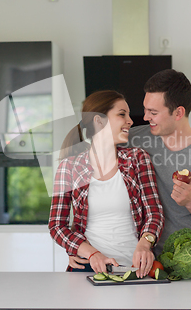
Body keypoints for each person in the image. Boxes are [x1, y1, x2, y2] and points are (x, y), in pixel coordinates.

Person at [68, 70, 191, 269]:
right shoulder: (129, 140)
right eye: (145, 109)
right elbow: (88, 187)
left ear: (179, 113)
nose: (145, 117)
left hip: (182, 264)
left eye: (153, 112)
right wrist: (78, 247)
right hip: (131, 263)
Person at [48, 90, 164, 278]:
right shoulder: (68, 167)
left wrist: (145, 244)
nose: (130, 121)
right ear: (99, 120)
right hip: (88, 270)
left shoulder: (137, 159)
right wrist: (91, 253)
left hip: (136, 270)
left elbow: (154, 212)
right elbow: (56, 225)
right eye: (121, 114)